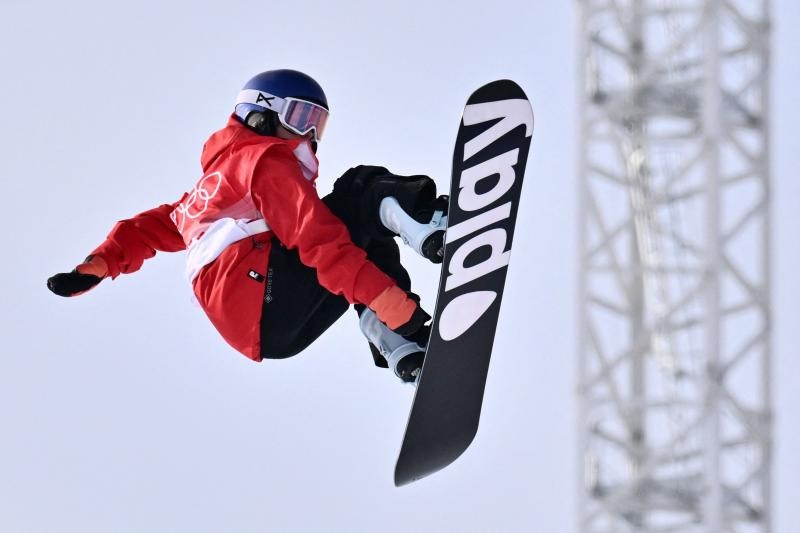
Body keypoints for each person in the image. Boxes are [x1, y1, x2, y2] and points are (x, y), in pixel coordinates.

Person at [46, 69, 448, 383]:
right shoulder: (263, 160)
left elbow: (144, 230)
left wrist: (98, 263)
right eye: (299, 116)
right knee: (361, 188)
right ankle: (431, 229)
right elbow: (317, 241)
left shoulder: (202, 199)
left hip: (268, 335)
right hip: (265, 293)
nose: (308, 133)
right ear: (258, 113)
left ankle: (404, 350)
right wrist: (387, 299)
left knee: (369, 245)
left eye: (317, 123)